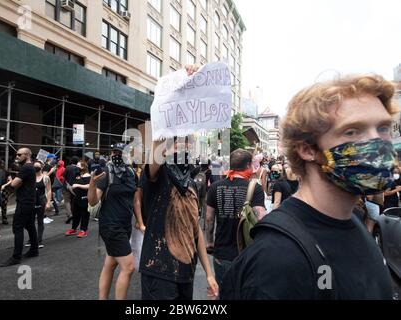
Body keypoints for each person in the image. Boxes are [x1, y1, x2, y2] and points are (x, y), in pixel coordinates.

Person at [221, 74, 396, 299]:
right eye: (352, 131)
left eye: (383, 128)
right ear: (307, 149)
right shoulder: (276, 259)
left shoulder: (352, 220)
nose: (377, 142)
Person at [139, 134, 218, 300]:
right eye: (177, 143)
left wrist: (209, 274)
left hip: (186, 273)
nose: (183, 146)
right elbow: (156, 152)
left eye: (187, 143)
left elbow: (196, 231)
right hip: (159, 273)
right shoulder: (158, 174)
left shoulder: (191, 184)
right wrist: (163, 122)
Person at [205, 149, 266, 288]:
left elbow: (208, 218)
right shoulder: (254, 188)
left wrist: (209, 241)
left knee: (223, 292)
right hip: (246, 253)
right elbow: (261, 219)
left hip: (222, 253)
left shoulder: (215, 187)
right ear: (249, 165)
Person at [88, 143, 137, 300]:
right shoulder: (106, 173)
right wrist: (92, 183)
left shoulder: (131, 173)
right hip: (110, 225)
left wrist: (141, 221)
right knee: (128, 267)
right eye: (115, 152)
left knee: (110, 264)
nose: (118, 155)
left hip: (125, 225)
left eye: (122, 152)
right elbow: (93, 201)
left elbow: (135, 200)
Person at [0, 148, 39, 267]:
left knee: (17, 227)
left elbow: (14, 184)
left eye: (19, 154)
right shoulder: (30, 167)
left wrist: (9, 183)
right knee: (30, 225)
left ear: (27, 155)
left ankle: (16, 257)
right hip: (29, 201)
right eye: (16, 154)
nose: (16, 156)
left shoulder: (26, 168)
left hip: (24, 202)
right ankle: (34, 250)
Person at [65, 160, 91, 238]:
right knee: (75, 214)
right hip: (76, 197)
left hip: (84, 198)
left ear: (83, 167)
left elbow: (89, 186)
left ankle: (83, 230)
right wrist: (70, 187)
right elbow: (73, 183)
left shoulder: (88, 176)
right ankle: (73, 228)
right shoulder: (77, 174)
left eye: (78, 165)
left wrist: (78, 185)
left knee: (84, 214)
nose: (76, 167)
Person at [30, 160, 51, 248]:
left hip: (41, 200)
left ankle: (39, 240)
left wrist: (48, 202)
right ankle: (31, 239)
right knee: (30, 221)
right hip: (31, 201)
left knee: (40, 220)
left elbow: (49, 190)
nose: (36, 168)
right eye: (34, 167)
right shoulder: (30, 177)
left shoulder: (45, 178)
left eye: (37, 167)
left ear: (41, 167)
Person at [63, 156, 80, 224]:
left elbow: (64, 176)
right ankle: (74, 214)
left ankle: (70, 214)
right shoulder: (79, 168)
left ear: (71, 161)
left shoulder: (68, 167)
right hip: (75, 187)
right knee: (73, 201)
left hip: (67, 186)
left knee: (67, 201)